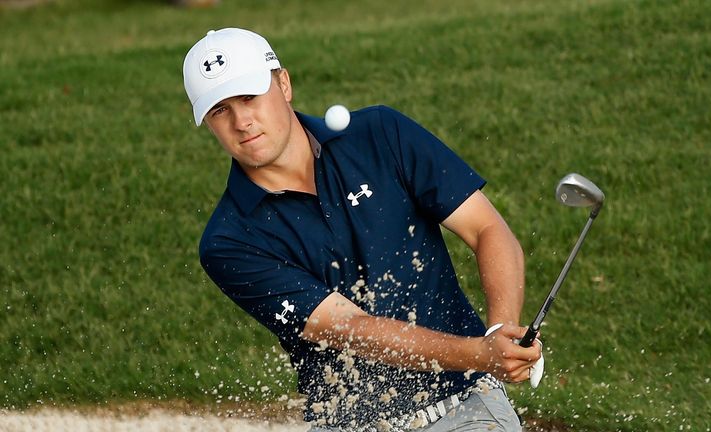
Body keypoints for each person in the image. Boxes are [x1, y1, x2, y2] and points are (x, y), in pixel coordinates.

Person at [182, 28, 542, 432]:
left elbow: (486, 228)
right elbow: (352, 329)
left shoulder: (381, 134)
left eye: (249, 97)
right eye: (219, 110)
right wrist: (479, 354)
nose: (242, 121)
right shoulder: (229, 242)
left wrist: (500, 333)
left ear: (283, 84)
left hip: (464, 405)